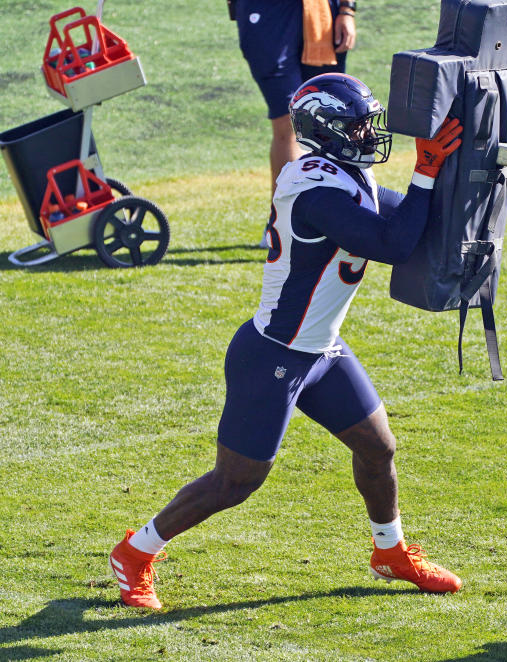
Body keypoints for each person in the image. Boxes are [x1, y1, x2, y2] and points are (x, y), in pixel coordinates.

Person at [109, 73, 464, 610]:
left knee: (378, 447)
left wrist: (464, 168)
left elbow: (414, 220)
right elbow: (391, 243)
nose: (370, 134)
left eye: (370, 122)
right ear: (326, 131)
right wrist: (426, 172)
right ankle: (135, 553)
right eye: (358, 126)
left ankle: (389, 553)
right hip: (273, 355)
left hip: (320, 351)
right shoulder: (315, 187)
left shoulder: (346, 174)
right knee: (236, 482)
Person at [232, 0, 358, 244]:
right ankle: (282, 224)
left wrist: (347, 9)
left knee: (326, 119)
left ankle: (325, 219)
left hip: (322, 10)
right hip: (267, 13)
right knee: (288, 122)